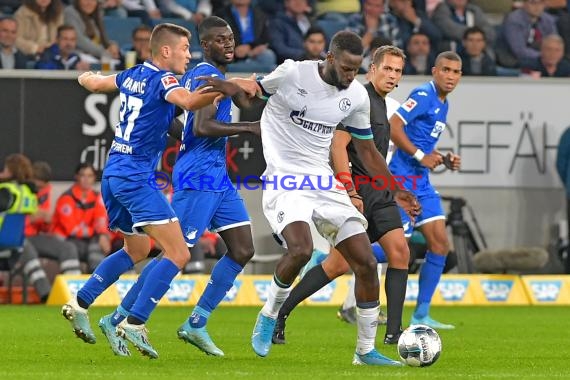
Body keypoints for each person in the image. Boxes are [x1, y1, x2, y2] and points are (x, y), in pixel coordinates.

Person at [204, 30, 411, 366]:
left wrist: (396, 188)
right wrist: (232, 87)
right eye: (345, 68)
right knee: (300, 249)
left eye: (355, 69)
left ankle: (365, 351)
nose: (349, 76)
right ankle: (270, 314)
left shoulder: (355, 96)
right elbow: (252, 95)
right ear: (329, 58)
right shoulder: (293, 72)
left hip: (323, 182)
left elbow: (368, 150)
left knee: (366, 262)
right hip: (285, 178)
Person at [60, 22, 251, 359]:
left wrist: (83, 77)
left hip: (114, 172)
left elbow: (94, 83)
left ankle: (80, 302)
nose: (187, 56)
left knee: (136, 249)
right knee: (178, 253)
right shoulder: (165, 80)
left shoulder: (131, 74)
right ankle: (133, 322)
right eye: (183, 50)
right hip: (137, 177)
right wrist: (230, 88)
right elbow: (191, 102)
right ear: (166, 51)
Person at [271, 45, 418, 347]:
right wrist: (349, 189)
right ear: (372, 69)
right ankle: (280, 312)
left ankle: (394, 333)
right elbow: (338, 146)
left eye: (398, 71)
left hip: (378, 191)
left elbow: (374, 155)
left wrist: (395, 190)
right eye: (387, 69)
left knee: (400, 252)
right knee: (336, 265)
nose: (392, 75)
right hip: (360, 190)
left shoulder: (380, 104)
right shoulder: (356, 100)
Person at [388, 50, 462, 329]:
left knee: (440, 244)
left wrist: (442, 158)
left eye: (455, 72)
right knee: (395, 250)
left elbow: (423, 143)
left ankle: (421, 314)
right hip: (401, 181)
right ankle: (339, 255)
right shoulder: (422, 95)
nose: (450, 76)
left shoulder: (444, 104)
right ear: (434, 71)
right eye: (446, 70)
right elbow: (394, 127)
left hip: (422, 182)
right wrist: (421, 156)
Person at [25, 161, 83, 276]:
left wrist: (47, 222)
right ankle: (45, 293)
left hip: (37, 237)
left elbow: (44, 226)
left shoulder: (45, 191)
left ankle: (73, 289)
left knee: (68, 247)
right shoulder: (19, 192)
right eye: (38, 187)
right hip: (22, 238)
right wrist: (29, 220)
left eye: (43, 187)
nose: (40, 190)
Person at [50, 163, 110, 272]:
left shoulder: (97, 197)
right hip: (65, 240)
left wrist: (102, 235)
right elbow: (72, 230)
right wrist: (95, 232)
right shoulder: (66, 198)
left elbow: (100, 220)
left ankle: (98, 280)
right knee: (93, 246)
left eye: (90, 176)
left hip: (85, 239)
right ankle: (86, 281)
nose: (86, 179)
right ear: (76, 177)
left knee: (101, 243)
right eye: (83, 175)